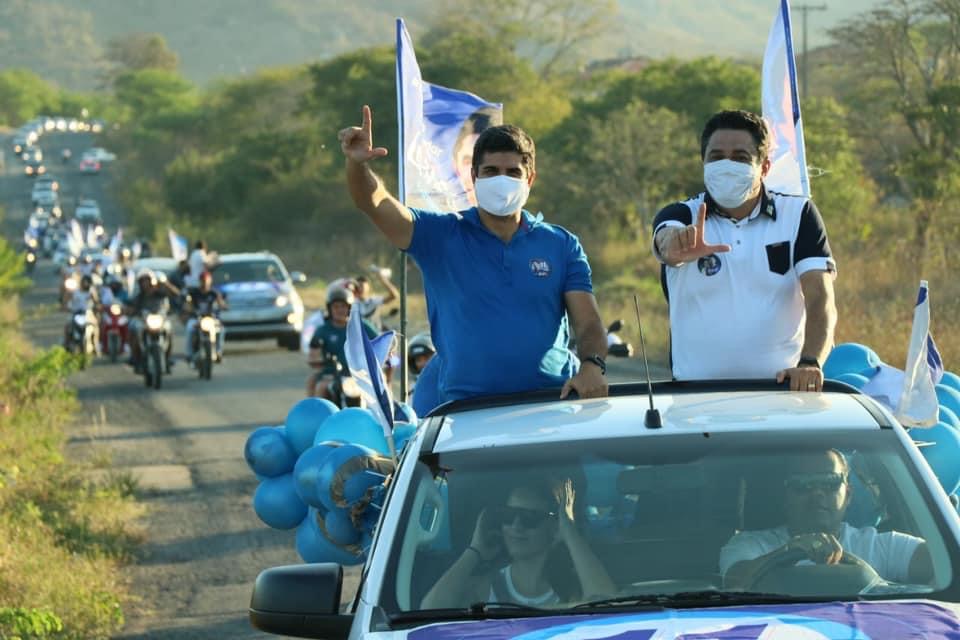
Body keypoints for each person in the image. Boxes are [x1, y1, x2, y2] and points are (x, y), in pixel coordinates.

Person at [339, 106, 608, 412]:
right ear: (474, 176)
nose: (502, 180)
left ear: (529, 179)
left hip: (551, 402)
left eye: (513, 172)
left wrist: (592, 366)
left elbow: (588, 324)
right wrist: (357, 166)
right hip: (466, 411)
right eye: (491, 171)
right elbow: (374, 204)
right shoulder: (438, 236)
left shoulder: (562, 244)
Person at [650, 110, 837, 392]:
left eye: (740, 157)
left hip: (781, 394)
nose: (726, 165)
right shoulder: (682, 214)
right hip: (693, 399)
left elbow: (820, 298)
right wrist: (674, 245)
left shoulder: (798, 214)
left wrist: (810, 362)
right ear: (703, 162)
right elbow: (665, 241)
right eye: (716, 156)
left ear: (763, 167)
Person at [719, 449, 933, 589]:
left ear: (848, 494)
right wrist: (788, 552)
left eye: (830, 482)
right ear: (786, 496)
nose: (817, 493)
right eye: (803, 484)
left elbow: (948, 565)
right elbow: (735, 583)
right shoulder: (751, 545)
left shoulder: (880, 546)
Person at [421, 477, 615, 609]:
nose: (516, 525)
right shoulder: (486, 587)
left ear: (554, 528)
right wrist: (474, 551)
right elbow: (429, 611)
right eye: (509, 515)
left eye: (530, 518)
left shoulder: (573, 588)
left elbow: (608, 609)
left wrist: (569, 532)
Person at [306, 286, 377, 401]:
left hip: (359, 373)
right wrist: (316, 359)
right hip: (332, 373)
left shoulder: (360, 325)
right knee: (319, 387)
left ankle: (384, 416)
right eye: (336, 307)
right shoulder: (322, 330)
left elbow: (379, 341)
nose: (339, 310)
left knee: (382, 386)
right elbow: (313, 356)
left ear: (349, 308)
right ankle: (317, 416)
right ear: (329, 309)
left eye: (343, 306)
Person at [125, 269, 180, 372]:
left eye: (147, 280)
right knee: (135, 328)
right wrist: (130, 311)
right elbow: (130, 307)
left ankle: (168, 357)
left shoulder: (161, 293)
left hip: (160, 320)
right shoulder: (139, 297)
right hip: (143, 321)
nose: (145, 283)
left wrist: (166, 283)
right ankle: (135, 357)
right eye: (143, 281)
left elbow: (176, 294)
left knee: (168, 329)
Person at [184, 271, 228, 366]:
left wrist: (223, 306)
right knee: (189, 329)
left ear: (210, 281)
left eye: (206, 280)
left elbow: (221, 303)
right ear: (200, 281)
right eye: (203, 280)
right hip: (197, 318)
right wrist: (188, 309)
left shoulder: (214, 293)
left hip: (211, 318)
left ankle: (218, 352)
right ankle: (189, 354)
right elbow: (188, 304)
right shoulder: (194, 293)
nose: (204, 283)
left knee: (221, 330)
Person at [63, 274, 100, 350]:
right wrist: (66, 306)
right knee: (68, 326)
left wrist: (97, 306)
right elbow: (66, 300)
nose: (86, 284)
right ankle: (66, 343)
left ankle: (95, 344)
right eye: (85, 282)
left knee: (95, 325)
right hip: (75, 313)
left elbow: (96, 302)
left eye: (88, 282)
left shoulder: (91, 292)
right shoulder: (75, 292)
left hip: (87, 314)